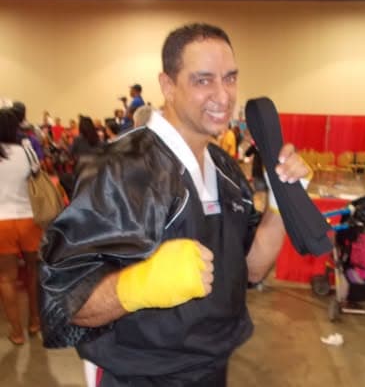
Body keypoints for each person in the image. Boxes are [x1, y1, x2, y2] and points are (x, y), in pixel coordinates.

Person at [39, 23, 309, 386]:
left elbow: (252, 269)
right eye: (203, 80)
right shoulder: (123, 168)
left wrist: (281, 202)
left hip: (211, 367)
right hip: (138, 375)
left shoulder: (225, 168)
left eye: (230, 78)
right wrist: (138, 285)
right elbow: (64, 303)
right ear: (168, 85)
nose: (223, 95)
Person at [0, 107, 42, 345]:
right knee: (33, 273)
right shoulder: (27, 151)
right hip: (28, 219)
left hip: (1, 223)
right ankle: (34, 321)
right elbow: (36, 174)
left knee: (6, 279)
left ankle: (16, 332)